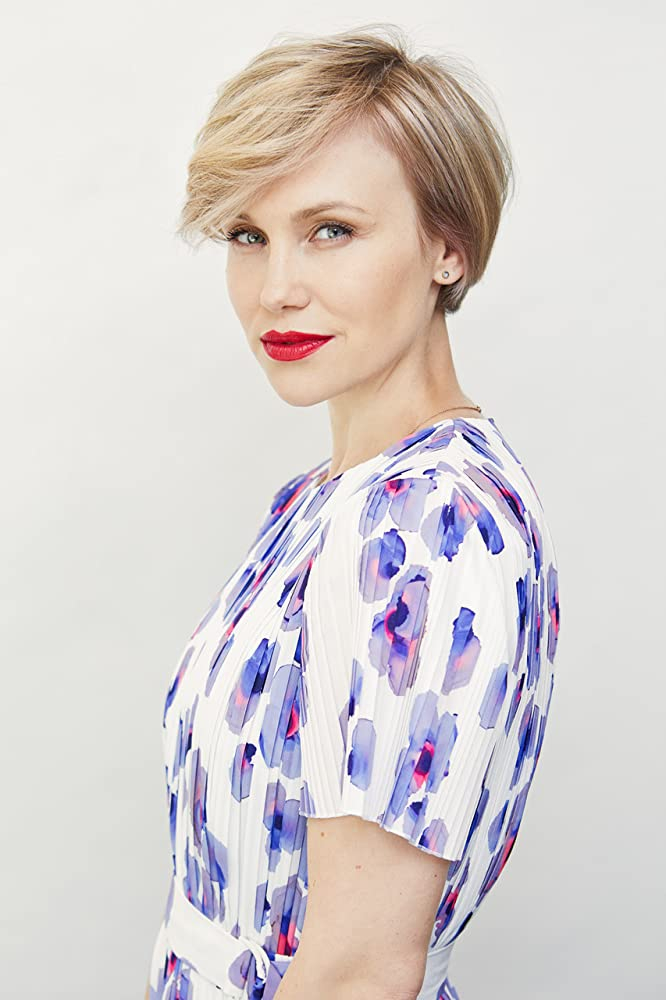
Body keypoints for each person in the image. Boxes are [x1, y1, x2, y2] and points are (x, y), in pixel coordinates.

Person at [146, 22, 562, 1000]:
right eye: (248, 235)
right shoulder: (330, 500)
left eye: (331, 229)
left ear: (447, 246)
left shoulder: (425, 524)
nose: (276, 289)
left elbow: (358, 973)